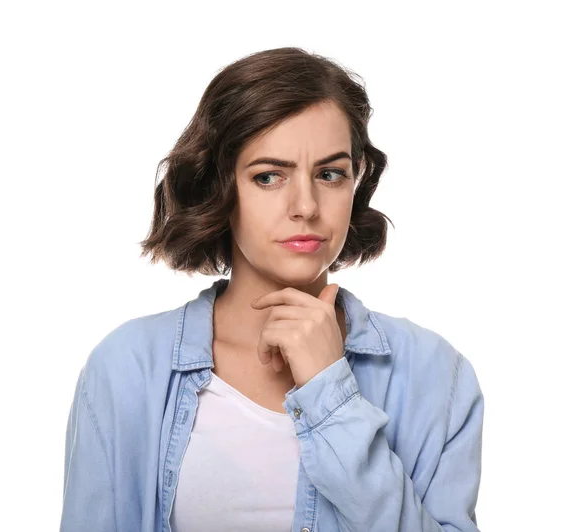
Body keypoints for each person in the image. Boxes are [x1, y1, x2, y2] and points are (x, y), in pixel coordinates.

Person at [60, 47, 483, 532]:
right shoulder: (126, 368)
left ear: (356, 182)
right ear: (221, 187)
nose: (305, 205)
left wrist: (331, 395)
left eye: (330, 174)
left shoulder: (436, 377)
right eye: (268, 176)